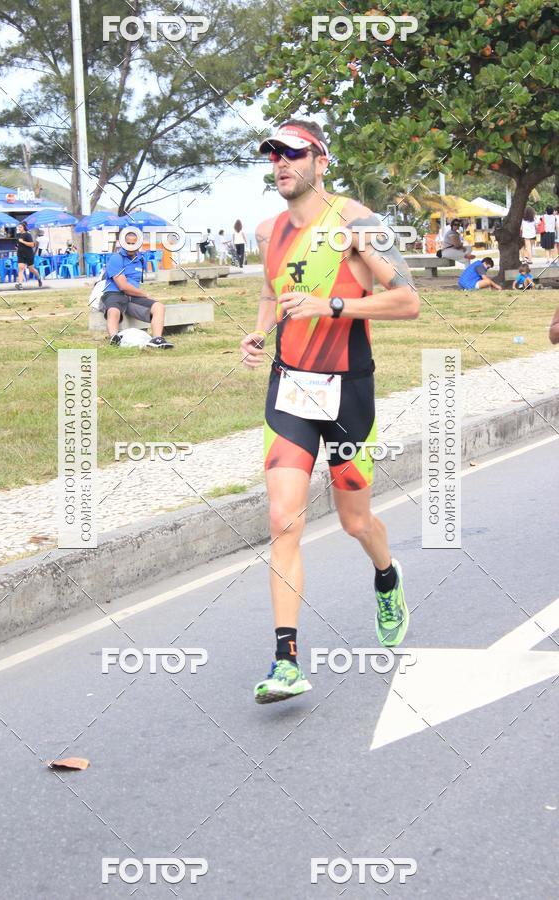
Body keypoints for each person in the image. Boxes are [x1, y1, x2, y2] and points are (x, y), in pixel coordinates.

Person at [240, 119, 419, 704]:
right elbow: (271, 292)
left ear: (321, 159)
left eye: (292, 153)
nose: (280, 163)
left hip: (347, 391)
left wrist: (332, 304)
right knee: (282, 518)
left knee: (353, 521)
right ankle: (286, 658)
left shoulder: (356, 223)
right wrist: (260, 332)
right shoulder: (269, 230)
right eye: (273, 156)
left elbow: (409, 301)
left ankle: (387, 578)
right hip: (290, 390)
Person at [100, 230, 174, 348]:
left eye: (133, 243)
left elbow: (133, 284)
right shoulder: (116, 258)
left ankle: (156, 340)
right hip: (114, 293)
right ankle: (114, 338)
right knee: (114, 310)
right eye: (128, 243)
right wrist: (144, 294)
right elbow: (123, 286)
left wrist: (140, 295)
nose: (130, 246)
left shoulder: (140, 260)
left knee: (159, 307)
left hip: (132, 297)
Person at [15, 222, 42, 289]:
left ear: (24, 227)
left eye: (20, 227)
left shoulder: (28, 235)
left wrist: (22, 242)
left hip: (28, 254)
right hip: (20, 254)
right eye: (18, 227)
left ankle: (39, 278)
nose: (19, 228)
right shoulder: (17, 235)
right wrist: (17, 247)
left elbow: (32, 245)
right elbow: (17, 244)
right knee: (21, 268)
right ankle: (20, 284)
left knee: (31, 269)